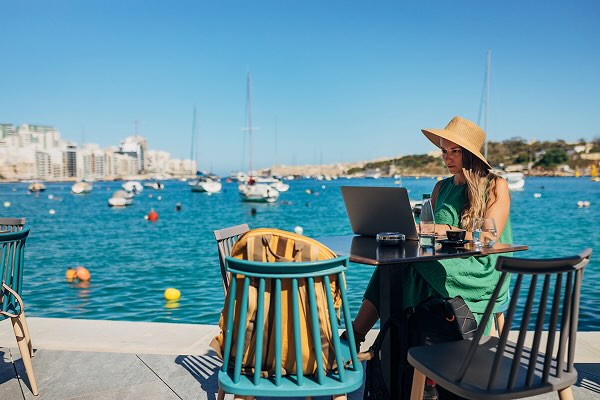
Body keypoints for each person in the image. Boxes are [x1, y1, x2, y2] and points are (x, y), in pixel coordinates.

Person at [352, 116, 512, 347]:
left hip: (480, 264)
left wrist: (443, 229)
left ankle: (356, 338)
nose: (447, 157)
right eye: (444, 151)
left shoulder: (496, 185)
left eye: (455, 151)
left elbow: (487, 238)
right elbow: (429, 235)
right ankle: (387, 342)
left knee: (401, 264)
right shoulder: (441, 187)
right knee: (396, 262)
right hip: (446, 258)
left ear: (470, 153)